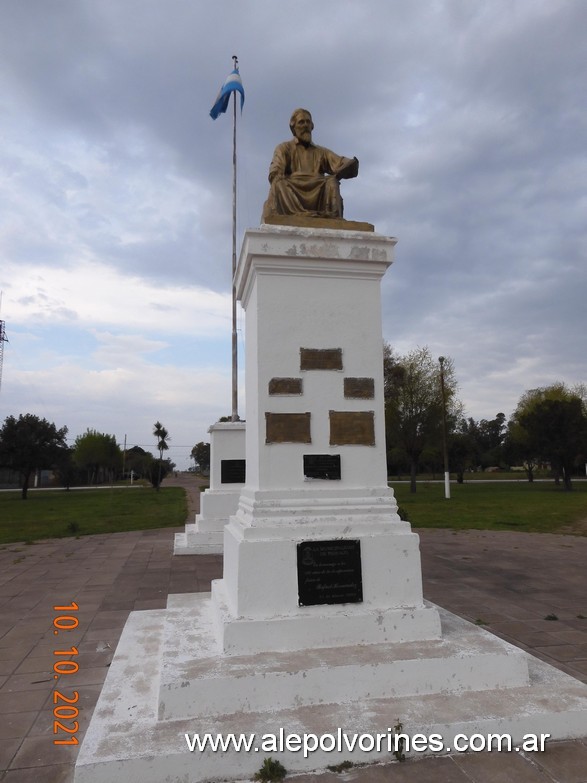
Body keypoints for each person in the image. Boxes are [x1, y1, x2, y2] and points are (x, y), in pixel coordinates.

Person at [262, 108, 359, 222]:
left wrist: (350, 165)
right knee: (278, 183)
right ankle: (296, 216)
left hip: (318, 189)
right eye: (301, 122)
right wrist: (277, 175)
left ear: (312, 126)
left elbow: (340, 162)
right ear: (293, 128)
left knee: (332, 182)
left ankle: (333, 219)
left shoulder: (321, 152)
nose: (305, 125)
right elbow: (275, 171)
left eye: (308, 122)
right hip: (292, 189)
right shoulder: (283, 148)